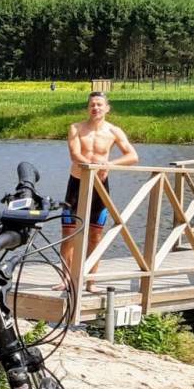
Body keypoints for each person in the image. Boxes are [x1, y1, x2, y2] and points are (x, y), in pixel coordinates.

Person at [60, 91, 138, 288]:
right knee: (69, 234)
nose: (95, 108)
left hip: (99, 187)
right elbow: (75, 154)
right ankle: (66, 280)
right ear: (88, 108)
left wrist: (109, 164)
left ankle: (90, 281)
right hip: (77, 184)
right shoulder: (76, 128)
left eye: (99, 104)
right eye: (92, 105)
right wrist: (93, 167)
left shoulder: (114, 131)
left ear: (107, 108)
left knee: (95, 235)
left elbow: (132, 156)